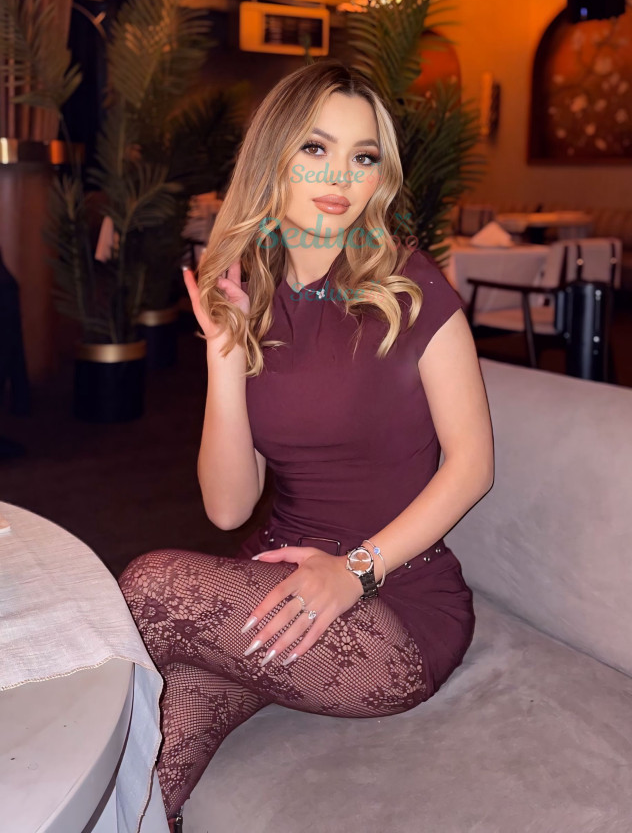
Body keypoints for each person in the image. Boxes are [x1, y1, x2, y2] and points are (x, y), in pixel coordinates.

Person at [119, 61, 495, 831]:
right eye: (316, 149)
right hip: (277, 588)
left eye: (363, 156)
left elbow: (472, 467)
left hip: (393, 606)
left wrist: (354, 572)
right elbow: (228, 509)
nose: (340, 177)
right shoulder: (251, 293)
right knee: (155, 759)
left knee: (148, 587)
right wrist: (224, 353)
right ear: (274, 158)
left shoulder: (411, 289)